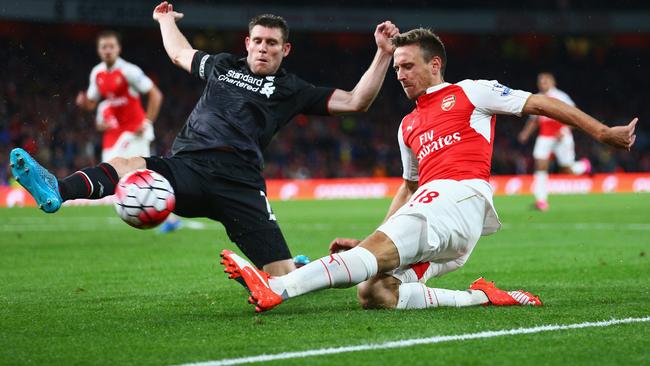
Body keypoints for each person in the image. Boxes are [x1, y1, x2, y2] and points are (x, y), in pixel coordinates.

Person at [219, 28, 638, 313]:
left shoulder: (470, 92)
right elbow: (408, 188)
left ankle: (278, 288)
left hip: (461, 198)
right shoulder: (408, 125)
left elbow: (540, 104)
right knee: (375, 292)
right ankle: (483, 298)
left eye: (407, 66)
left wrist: (602, 132)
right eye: (397, 67)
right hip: (437, 214)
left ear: (434, 65)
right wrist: (370, 240)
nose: (399, 75)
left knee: (371, 261)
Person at [9, 2, 399, 277]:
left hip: (239, 182)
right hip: (188, 166)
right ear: (247, 43)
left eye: (272, 43)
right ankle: (57, 189)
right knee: (130, 164)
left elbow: (356, 101)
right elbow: (180, 53)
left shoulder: (291, 88)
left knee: (282, 277)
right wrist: (165, 19)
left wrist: (382, 54)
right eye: (258, 41)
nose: (263, 48)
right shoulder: (223, 66)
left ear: (285, 49)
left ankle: (315, 269)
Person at [75, 30, 181, 232]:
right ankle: (144, 210)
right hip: (114, 133)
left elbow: (155, 95)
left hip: (135, 131)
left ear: (118, 49)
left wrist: (147, 121)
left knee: (144, 174)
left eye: (111, 47)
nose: (107, 51)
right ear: (99, 50)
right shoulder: (97, 74)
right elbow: (91, 103)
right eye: (104, 47)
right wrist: (83, 103)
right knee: (112, 171)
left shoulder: (128, 71)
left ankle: (170, 216)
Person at [517, 72, 591, 211]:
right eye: (540, 81)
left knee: (567, 169)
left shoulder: (561, 96)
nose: (542, 83)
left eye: (545, 81)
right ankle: (541, 201)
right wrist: (525, 133)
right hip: (545, 136)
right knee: (540, 166)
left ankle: (583, 166)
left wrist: (565, 129)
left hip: (561, 135)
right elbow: (534, 120)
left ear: (552, 82)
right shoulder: (537, 98)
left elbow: (575, 114)